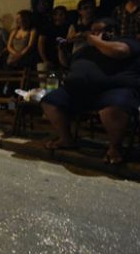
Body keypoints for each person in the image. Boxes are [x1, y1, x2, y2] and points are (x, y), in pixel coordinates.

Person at [41, 18, 140, 164]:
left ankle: (115, 148)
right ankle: (66, 139)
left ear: (111, 32)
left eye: (97, 31)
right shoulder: (86, 50)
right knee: (50, 100)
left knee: (114, 106)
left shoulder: (127, 42)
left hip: (112, 90)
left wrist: (91, 38)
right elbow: (66, 63)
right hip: (80, 92)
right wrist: (62, 49)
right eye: (92, 32)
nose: (92, 34)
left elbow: (119, 51)